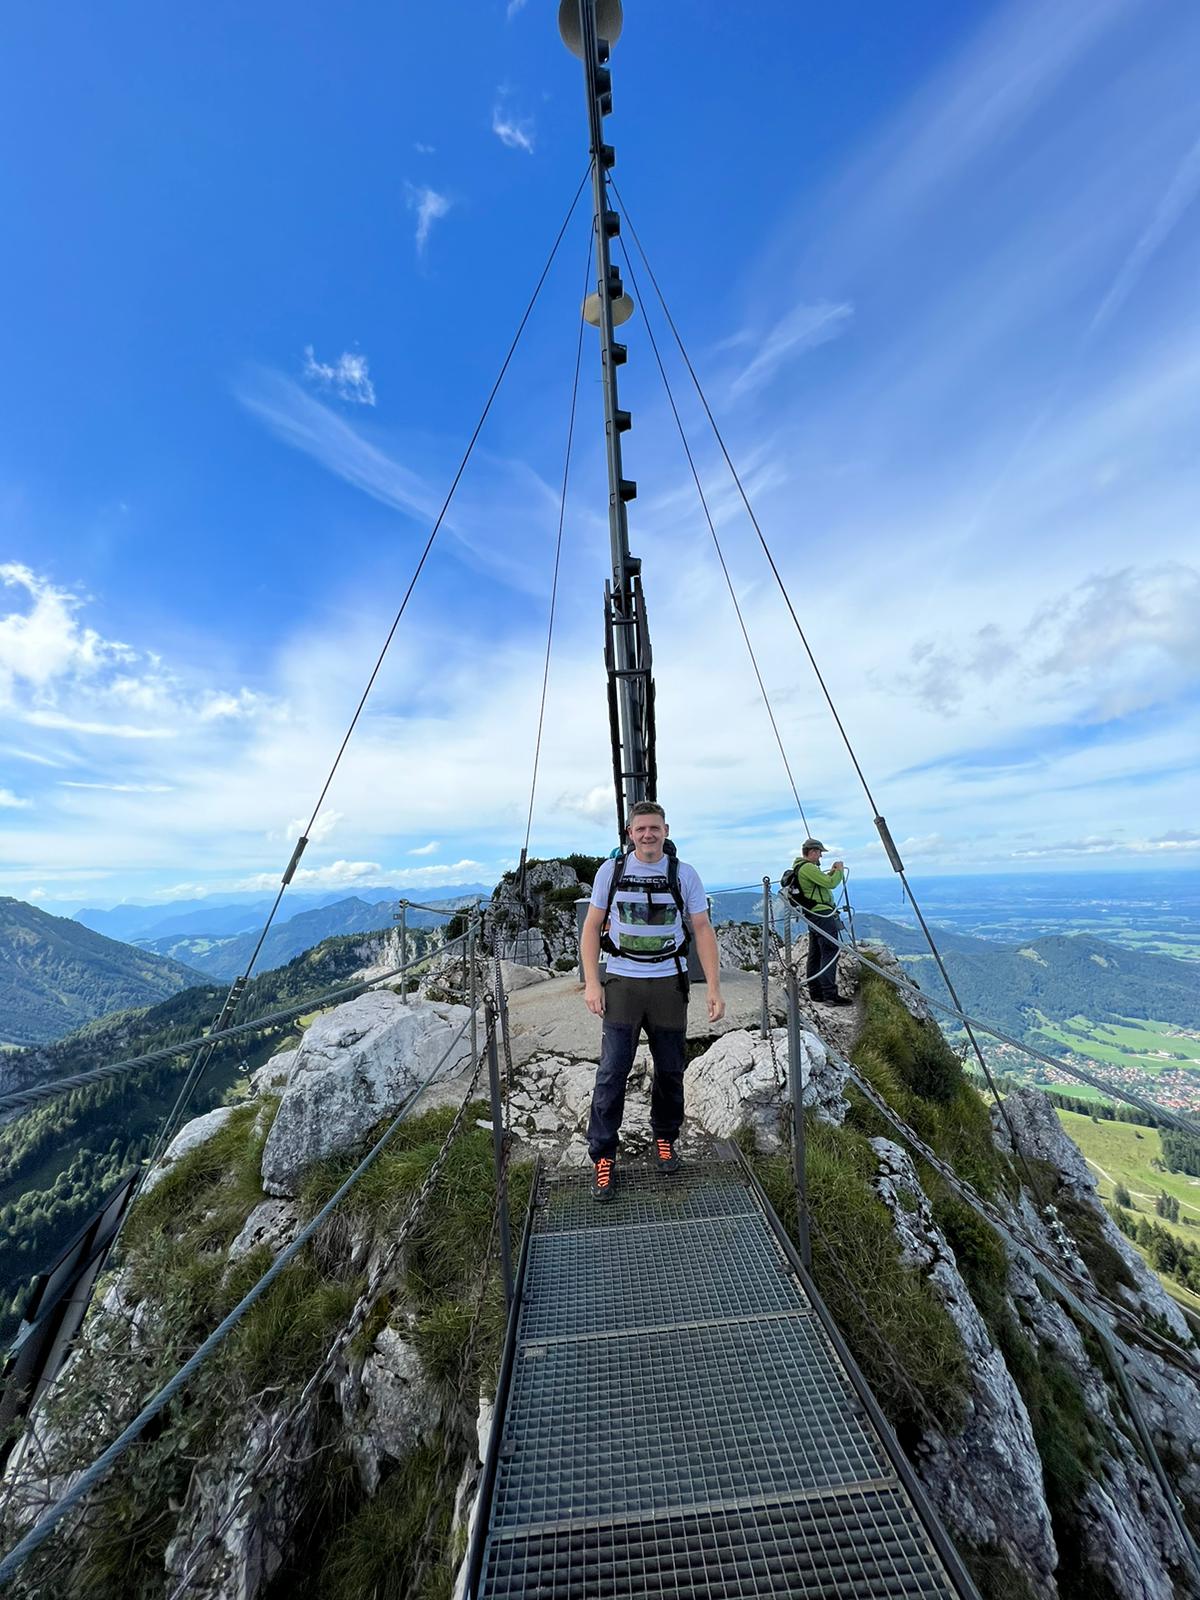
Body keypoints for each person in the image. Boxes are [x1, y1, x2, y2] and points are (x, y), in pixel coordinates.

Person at [580, 801, 725, 1202]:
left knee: (670, 1069)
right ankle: (603, 1156)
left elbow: (702, 928)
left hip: (669, 984)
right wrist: (592, 983)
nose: (648, 834)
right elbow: (592, 926)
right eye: (641, 828)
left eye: (654, 828)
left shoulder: (684, 874)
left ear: (666, 830)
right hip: (622, 983)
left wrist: (714, 987)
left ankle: (665, 1138)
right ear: (630, 834)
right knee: (612, 1072)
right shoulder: (611, 871)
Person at [792, 838, 850, 1007]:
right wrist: (839, 871)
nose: (820, 857)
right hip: (822, 914)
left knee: (816, 953)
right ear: (812, 852)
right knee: (830, 950)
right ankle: (830, 994)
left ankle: (816, 992)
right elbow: (830, 884)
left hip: (813, 914)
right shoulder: (808, 867)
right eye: (819, 853)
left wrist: (831, 872)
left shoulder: (801, 867)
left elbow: (820, 882)